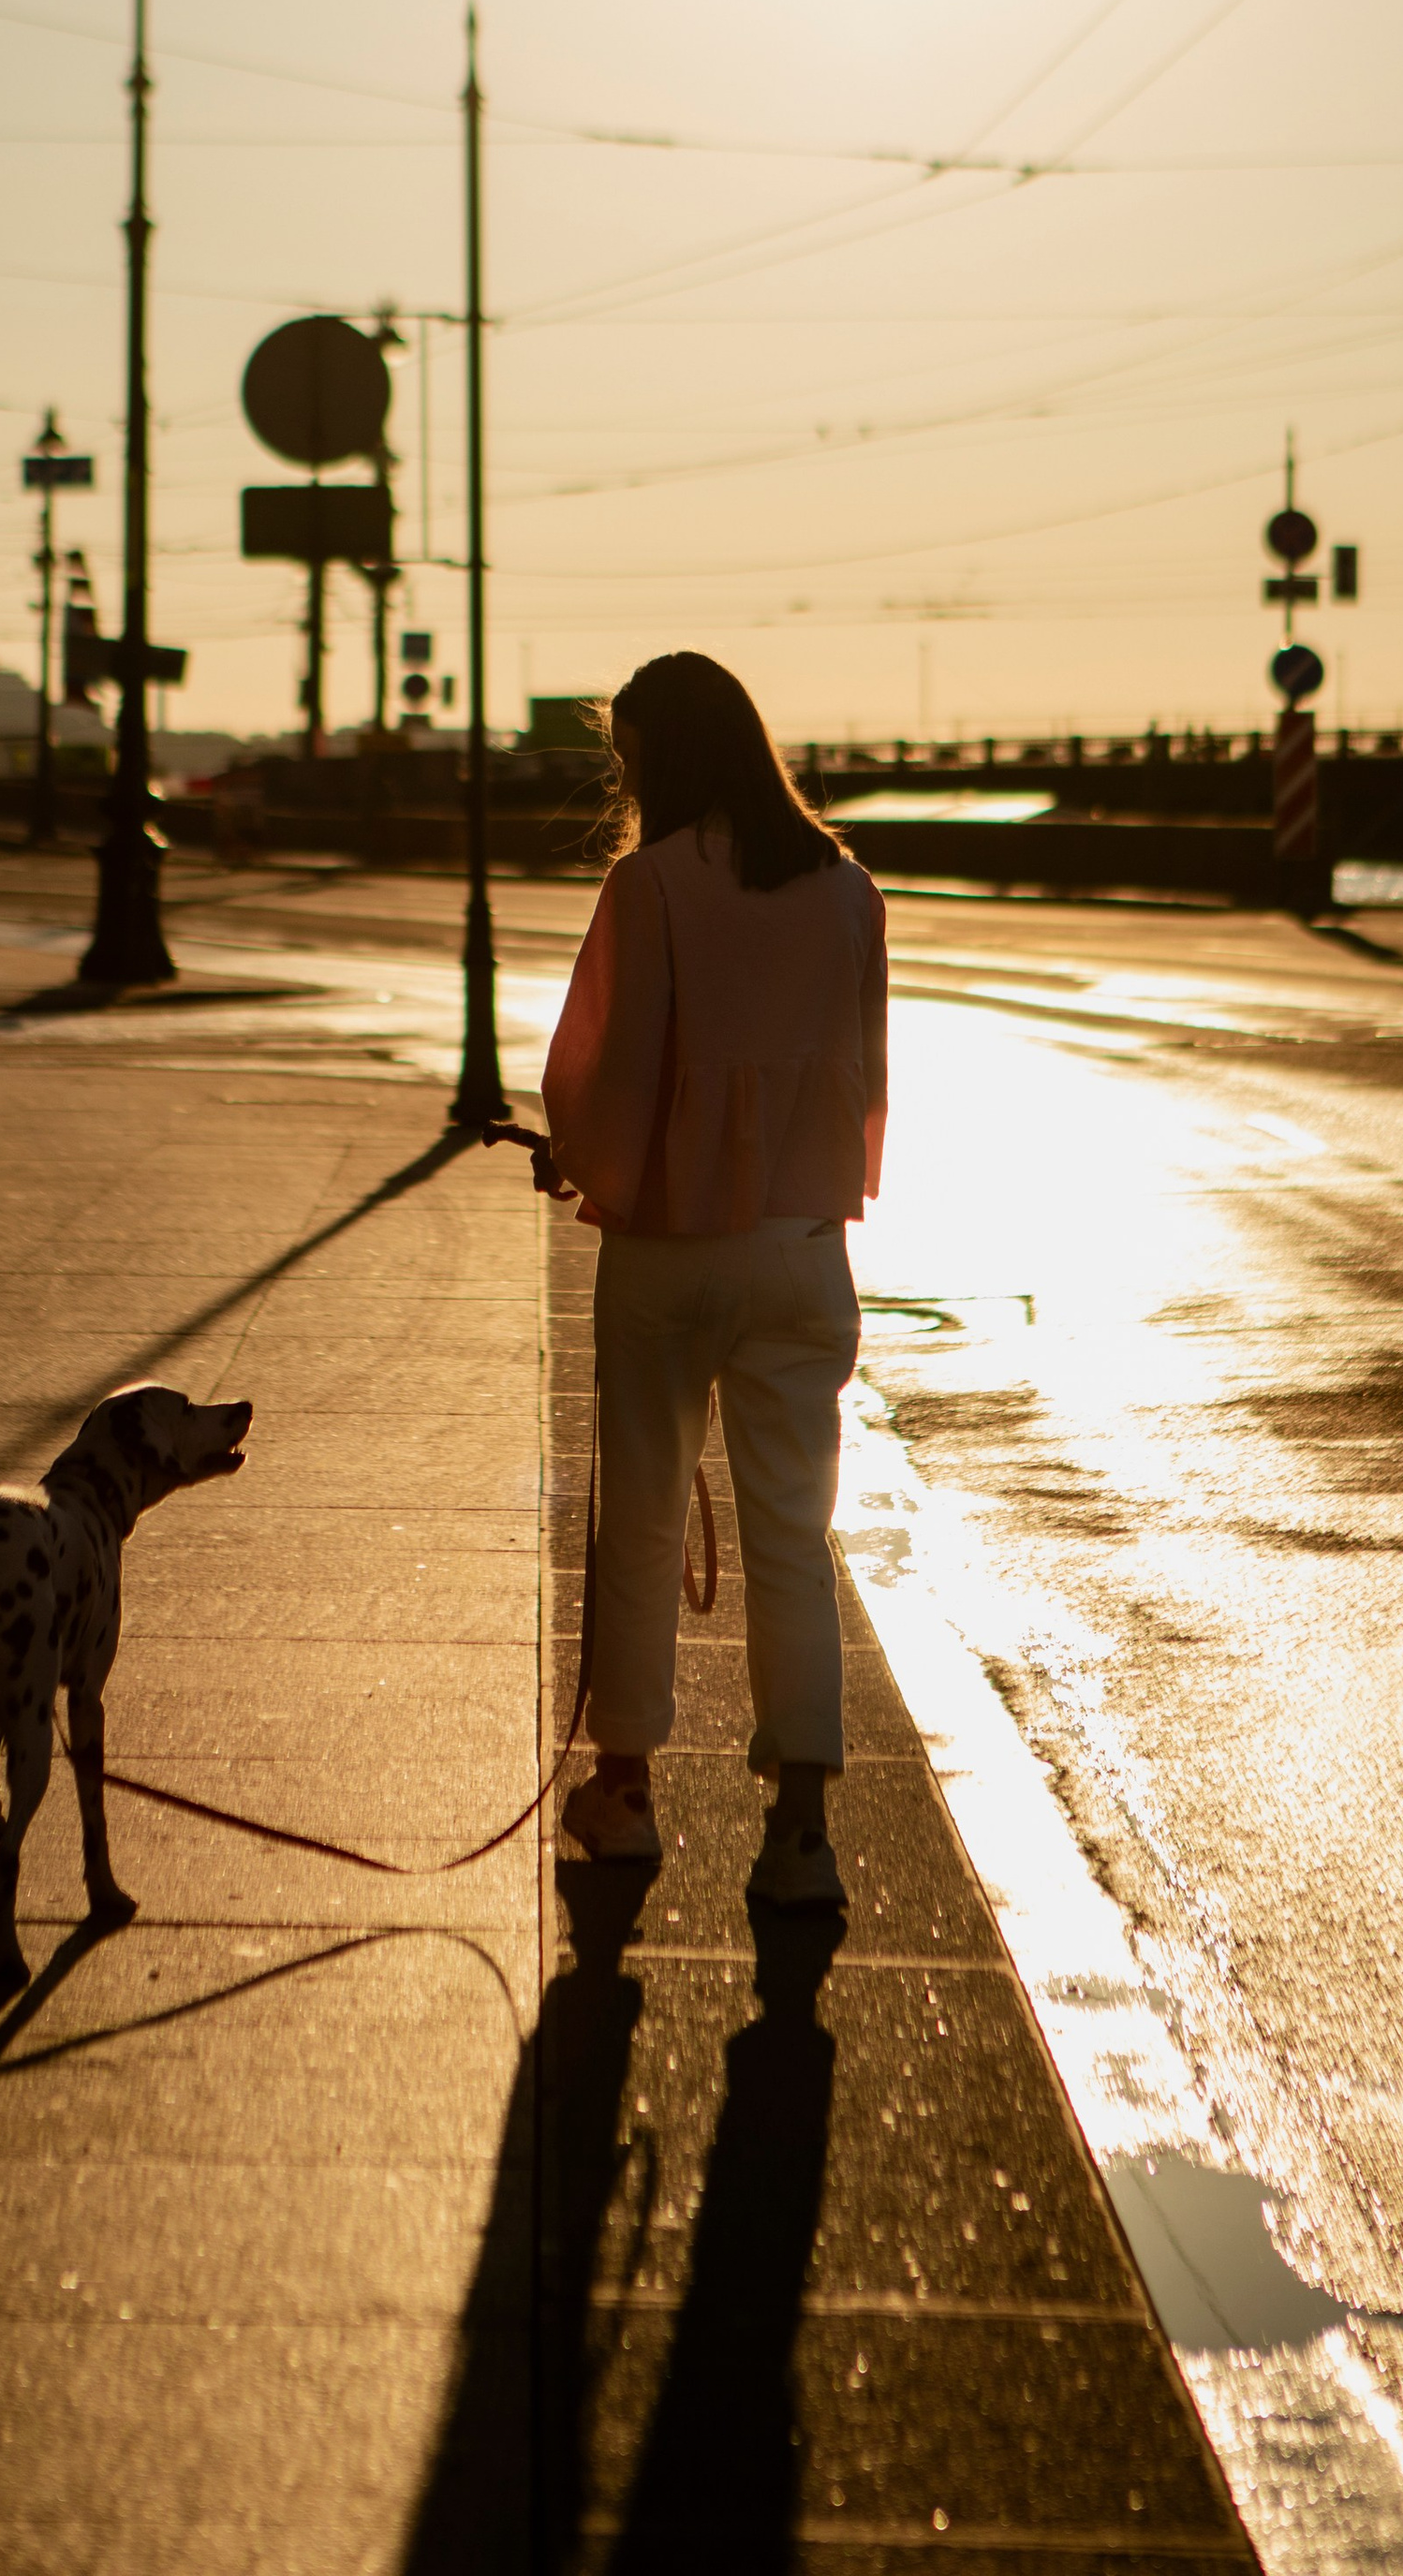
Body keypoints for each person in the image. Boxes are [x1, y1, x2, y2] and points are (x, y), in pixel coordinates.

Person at [539, 651, 888, 1910]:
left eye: (630, 761)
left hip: (670, 1253)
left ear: (666, 761)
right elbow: (865, 1076)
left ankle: (624, 1795)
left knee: (637, 1517)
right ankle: (801, 1832)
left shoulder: (650, 888)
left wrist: (578, 1162)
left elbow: (605, 1069)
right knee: (794, 1535)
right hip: (802, 1252)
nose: (625, 783)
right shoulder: (849, 891)